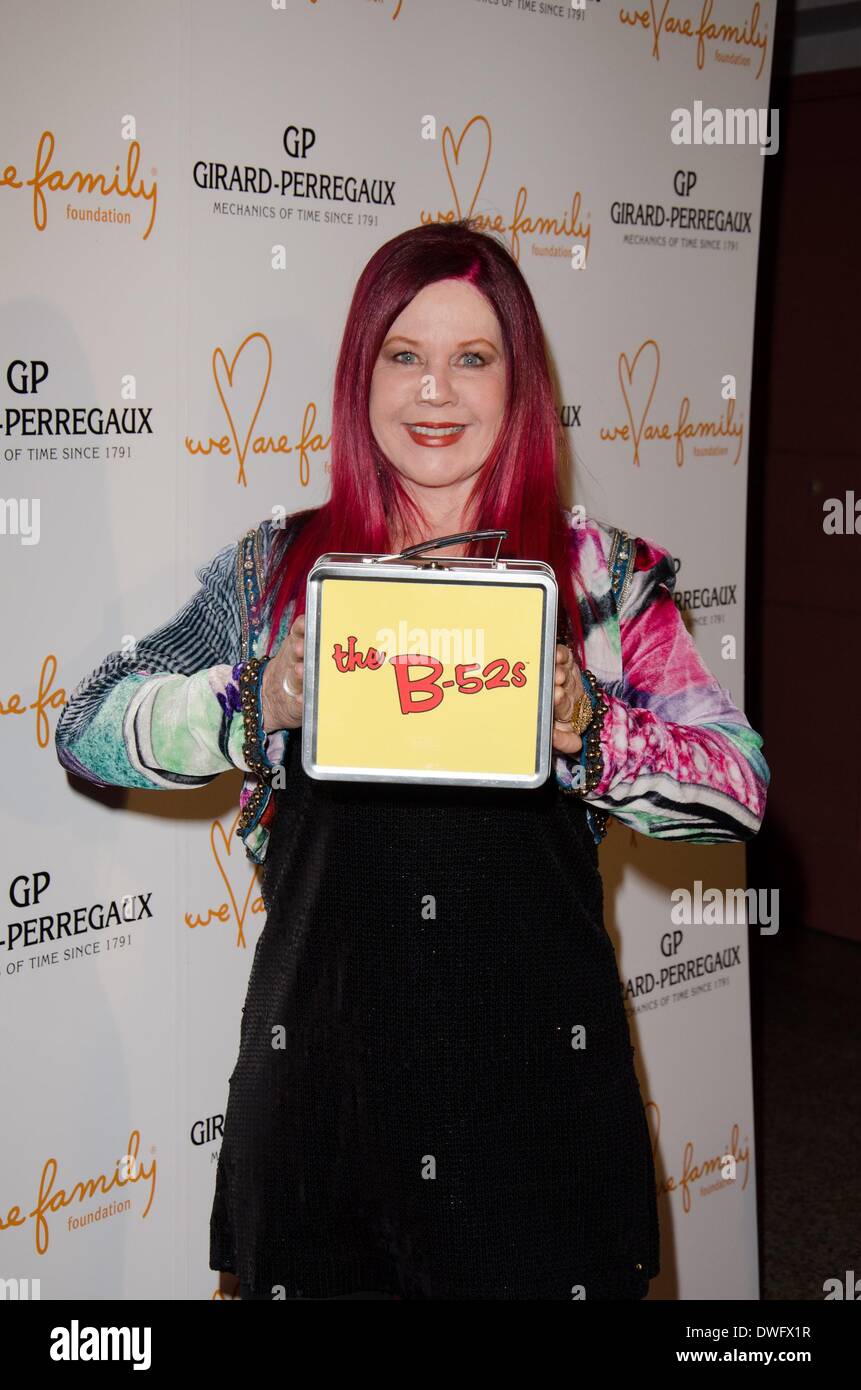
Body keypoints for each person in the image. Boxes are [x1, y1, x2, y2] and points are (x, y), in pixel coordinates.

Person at [55, 220, 770, 1301]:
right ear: (362, 374)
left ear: (517, 382)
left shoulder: (597, 582)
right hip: (321, 1130)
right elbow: (86, 725)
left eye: (472, 358)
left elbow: (740, 790)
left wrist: (593, 725)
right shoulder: (280, 573)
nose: (436, 391)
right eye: (405, 355)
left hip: (540, 1126)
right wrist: (255, 702)